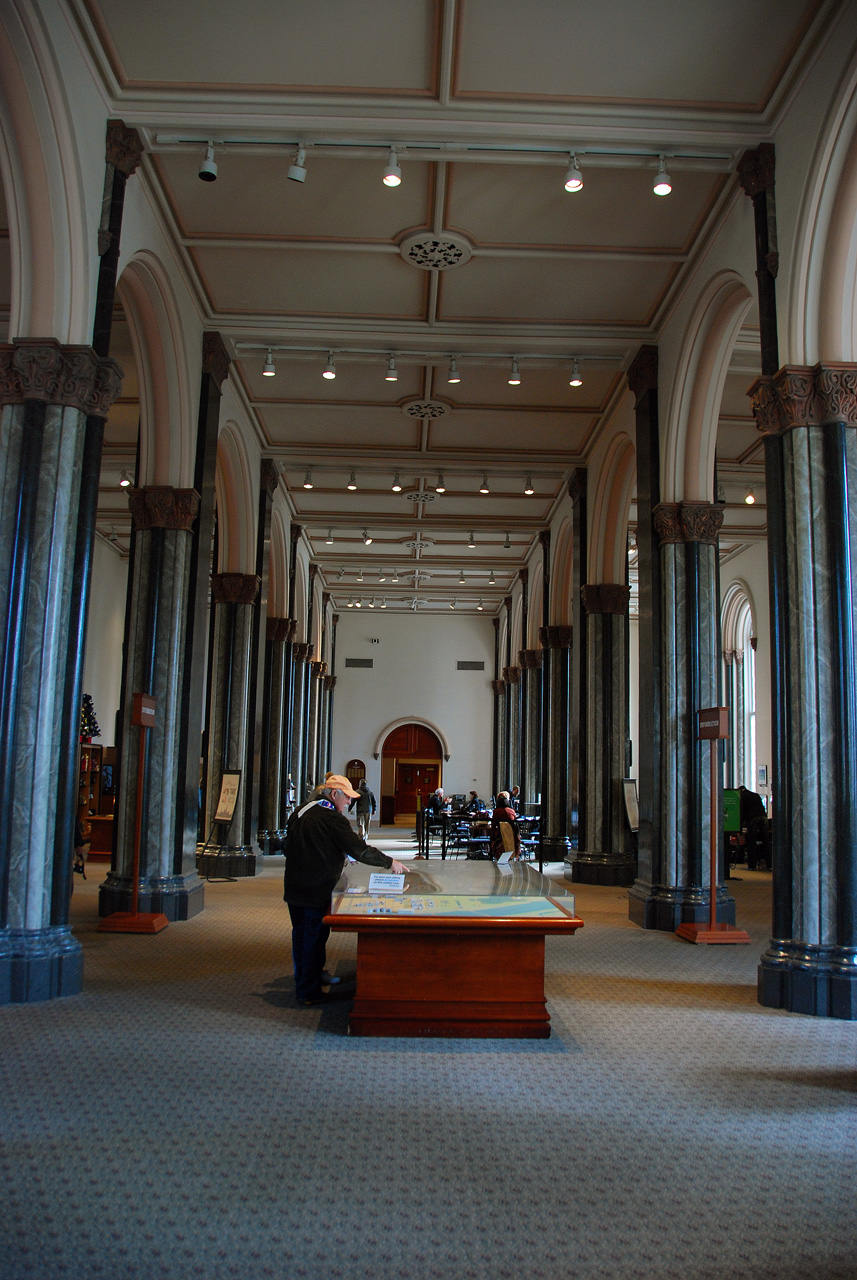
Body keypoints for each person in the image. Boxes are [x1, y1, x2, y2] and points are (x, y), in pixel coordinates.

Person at [283, 775, 405, 1006]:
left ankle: (309, 977)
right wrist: (390, 862)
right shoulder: (332, 819)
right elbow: (359, 849)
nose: (350, 802)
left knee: (300, 935)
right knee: (313, 938)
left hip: (294, 885)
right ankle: (308, 992)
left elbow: (288, 846)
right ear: (334, 794)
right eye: (348, 797)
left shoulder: (301, 810)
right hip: (316, 888)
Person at [489, 790, 521, 861]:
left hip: (500, 835)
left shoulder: (496, 812)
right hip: (512, 835)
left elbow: (493, 825)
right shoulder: (511, 811)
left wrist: (491, 837)